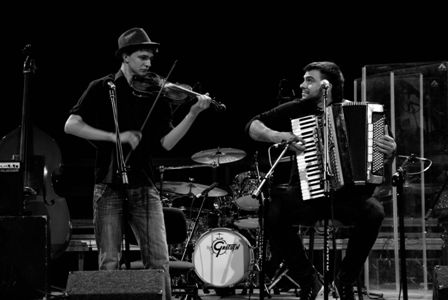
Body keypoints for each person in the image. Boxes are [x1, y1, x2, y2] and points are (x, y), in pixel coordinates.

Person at [64, 27, 212, 300]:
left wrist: (192, 113)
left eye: (150, 59)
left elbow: (167, 143)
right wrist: (115, 137)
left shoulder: (158, 94)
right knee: (109, 261)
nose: (148, 63)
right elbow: (71, 125)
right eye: (142, 57)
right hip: (108, 184)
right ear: (126, 57)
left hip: (145, 184)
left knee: (158, 260)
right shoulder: (102, 87)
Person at [245, 61, 396, 300]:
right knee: (273, 211)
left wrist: (389, 150)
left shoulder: (364, 114)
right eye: (304, 79)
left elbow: (380, 155)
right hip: (308, 194)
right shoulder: (297, 108)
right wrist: (279, 135)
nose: (302, 84)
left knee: (374, 211)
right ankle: (309, 281)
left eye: (309, 80)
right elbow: (252, 126)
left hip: (347, 196)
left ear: (328, 85)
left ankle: (343, 281)